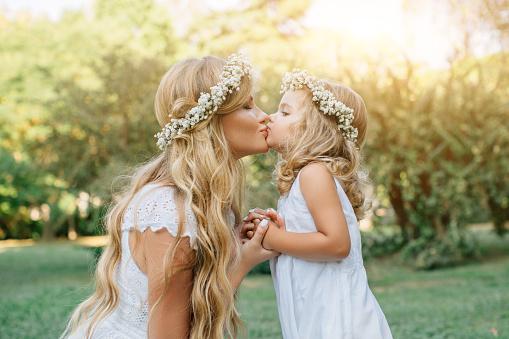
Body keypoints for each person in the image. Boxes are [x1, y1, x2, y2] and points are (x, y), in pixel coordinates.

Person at [62, 54, 278, 339]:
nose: (265, 115)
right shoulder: (169, 212)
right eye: (246, 105)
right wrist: (242, 264)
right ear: (209, 120)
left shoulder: (206, 204)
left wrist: (240, 254)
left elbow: (199, 316)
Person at [243, 69, 393, 338]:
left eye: (285, 113)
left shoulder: (314, 173)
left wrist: (275, 238)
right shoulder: (307, 176)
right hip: (316, 307)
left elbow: (337, 244)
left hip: (337, 319)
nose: (271, 117)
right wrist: (274, 229)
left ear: (316, 130)